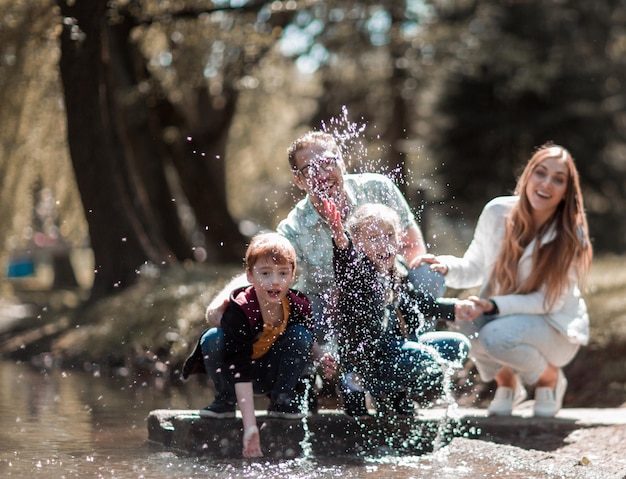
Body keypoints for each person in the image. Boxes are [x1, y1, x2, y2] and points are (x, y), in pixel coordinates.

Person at [203, 130, 446, 416]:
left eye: (328, 162)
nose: (322, 173)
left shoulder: (378, 189)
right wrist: (225, 298)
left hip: (384, 293)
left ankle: (398, 373)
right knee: (298, 313)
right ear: (299, 181)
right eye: (310, 169)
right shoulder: (296, 224)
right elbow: (267, 265)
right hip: (330, 307)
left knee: (429, 274)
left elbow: (412, 246)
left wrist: (395, 282)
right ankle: (308, 383)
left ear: (342, 162)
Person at [423, 143, 593, 417]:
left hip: (553, 329)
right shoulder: (496, 212)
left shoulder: (571, 234)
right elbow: (474, 266)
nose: (547, 183)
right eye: (541, 173)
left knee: (494, 334)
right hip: (502, 316)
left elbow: (547, 302)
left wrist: (491, 305)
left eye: (558, 179)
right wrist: (445, 265)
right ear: (528, 176)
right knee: (463, 317)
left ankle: (549, 379)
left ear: (565, 193)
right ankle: (509, 384)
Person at [322, 200, 473, 415]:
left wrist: (454, 308)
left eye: (389, 235)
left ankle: (396, 392)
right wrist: (339, 238)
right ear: (357, 242)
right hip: (366, 358)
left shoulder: (398, 269)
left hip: (396, 348)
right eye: (373, 238)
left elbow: (419, 303)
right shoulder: (356, 273)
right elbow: (345, 259)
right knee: (424, 358)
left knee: (457, 346)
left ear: (399, 237)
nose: (384, 244)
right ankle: (363, 386)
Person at [182, 233, 314, 458]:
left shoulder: (296, 304)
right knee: (212, 337)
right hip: (239, 376)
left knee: (301, 336)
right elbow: (238, 366)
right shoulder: (242, 309)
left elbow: (306, 342)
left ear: (292, 275)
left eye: (282, 273)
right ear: (250, 276)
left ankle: (283, 399)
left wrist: (322, 356)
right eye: (265, 273)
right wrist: (250, 426)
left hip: (269, 374)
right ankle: (225, 400)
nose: (275, 281)